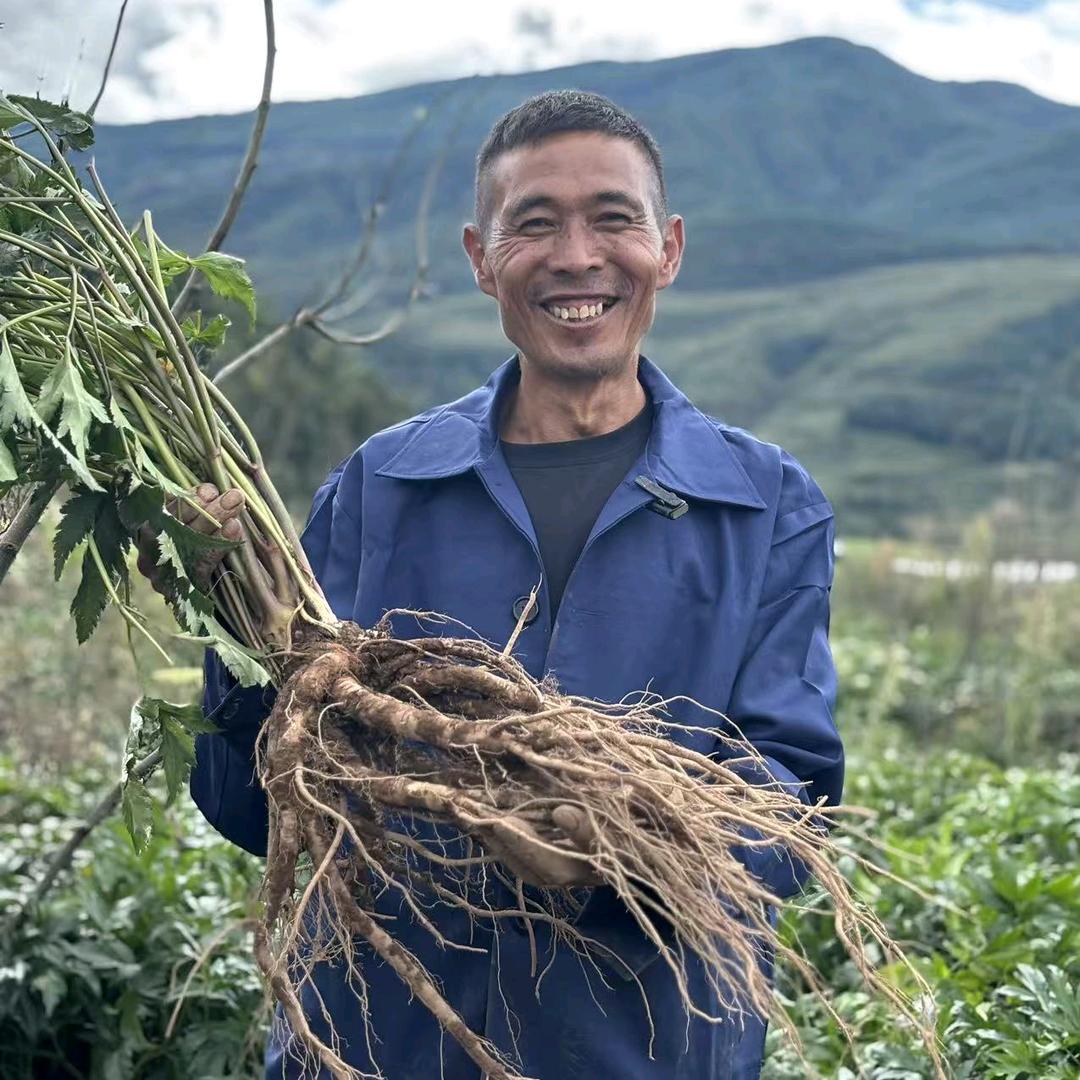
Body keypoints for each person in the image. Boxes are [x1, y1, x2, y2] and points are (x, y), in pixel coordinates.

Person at [157, 90, 844, 1080]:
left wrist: (621, 854)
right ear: (482, 259)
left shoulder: (766, 505)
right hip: (375, 1046)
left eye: (613, 218)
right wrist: (228, 626)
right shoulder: (381, 486)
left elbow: (790, 798)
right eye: (536, 224)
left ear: (668, 249)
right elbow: (253, 808)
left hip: (644, 1050)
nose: (577, 257)